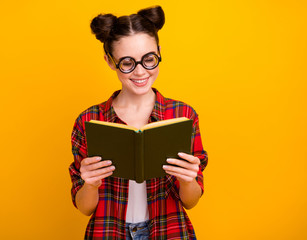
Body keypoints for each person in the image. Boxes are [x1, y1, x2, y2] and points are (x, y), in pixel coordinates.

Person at [69, 5, 208, 240]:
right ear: (110, 61)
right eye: (127, 62)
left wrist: (188, 179)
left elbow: (191, 201)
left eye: (149, 59)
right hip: (109, 232)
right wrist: (90, 184)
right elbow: (85, 208)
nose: (141, 71)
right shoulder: (89, 120)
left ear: (159, 52)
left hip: (169, 231)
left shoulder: (183, 115)